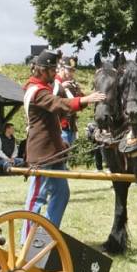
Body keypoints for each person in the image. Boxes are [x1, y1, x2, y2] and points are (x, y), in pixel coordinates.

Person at [22, 49, 105, 229]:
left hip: (55, 151)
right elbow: (59, 104)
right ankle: (26, 240)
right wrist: (86, 99)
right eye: (52, 70)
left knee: (61, 193)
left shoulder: (44, 87)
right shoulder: (36, 91)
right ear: (41, 70)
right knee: (37, 197)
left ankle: (48, 233)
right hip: (42, 153)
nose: (54, 74)